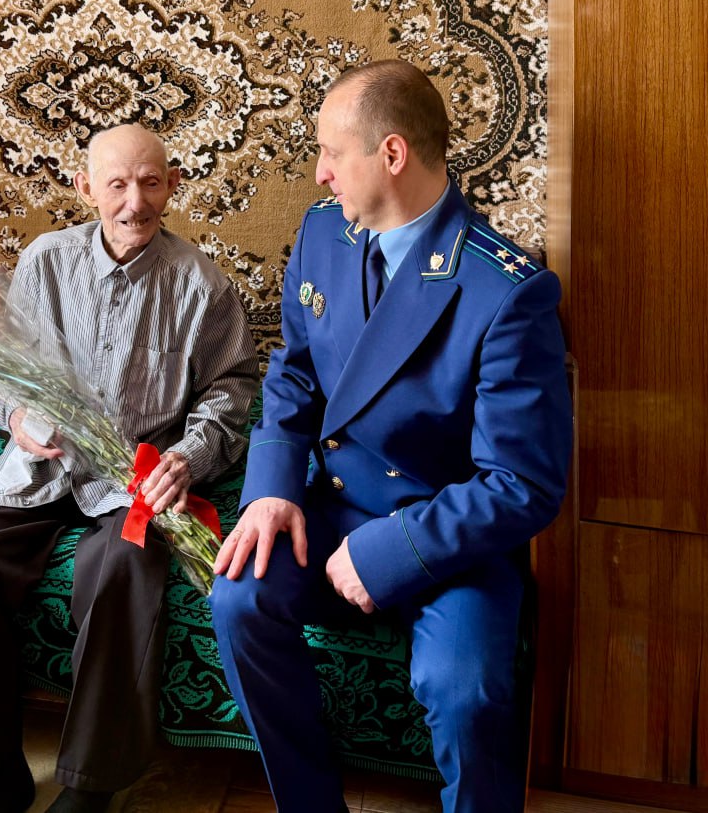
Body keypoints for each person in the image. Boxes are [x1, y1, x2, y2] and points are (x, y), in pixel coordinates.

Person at [208, 60, 572, 813]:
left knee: (465, 691)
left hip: (448, 536)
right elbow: (294, 374)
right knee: (238, 598)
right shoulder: (323, 233)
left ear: (392, 154)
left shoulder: (506, 291)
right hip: (336, 502)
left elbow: (522, 485)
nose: (320, 173)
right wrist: (272, 489)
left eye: (331, 153)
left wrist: (387, 553)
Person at [0, 123, 259, 813]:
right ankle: (0, 773)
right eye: (117, 184)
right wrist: (16, 414)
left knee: (122, 570)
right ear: (85, 189)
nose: (135, 201)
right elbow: (8, 371)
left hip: (132, 476)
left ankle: (89, 784)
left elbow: (232, 390)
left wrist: (187, 456)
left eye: (151, 182)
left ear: (172, 185)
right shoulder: (45, 261)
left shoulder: (201, 283)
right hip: (42, 466)